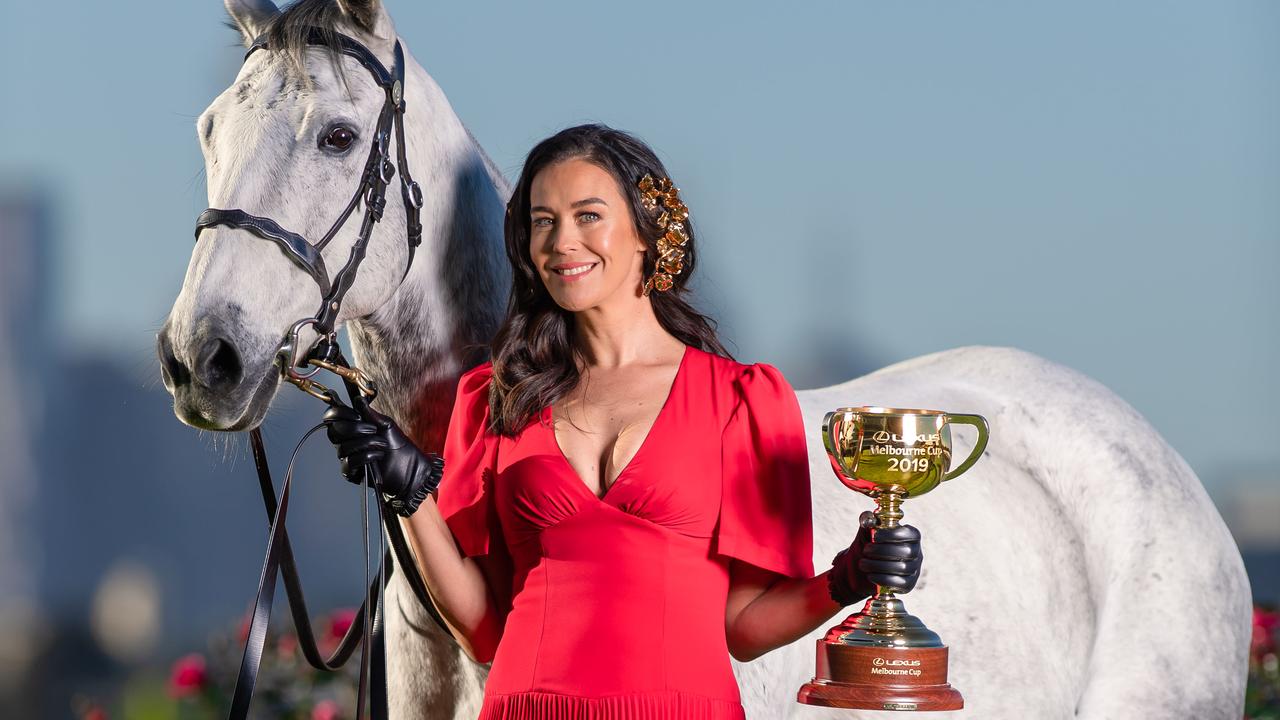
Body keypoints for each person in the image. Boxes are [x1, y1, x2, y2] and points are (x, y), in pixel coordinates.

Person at [323, 124, 922, 719]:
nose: (562, 242)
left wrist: (847, 578)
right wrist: (410, 493)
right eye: (542, 221)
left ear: (646, 231)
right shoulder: (495, 401)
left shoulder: (740, 401)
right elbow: (481, 628)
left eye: (588, 215)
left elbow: (743, 627)